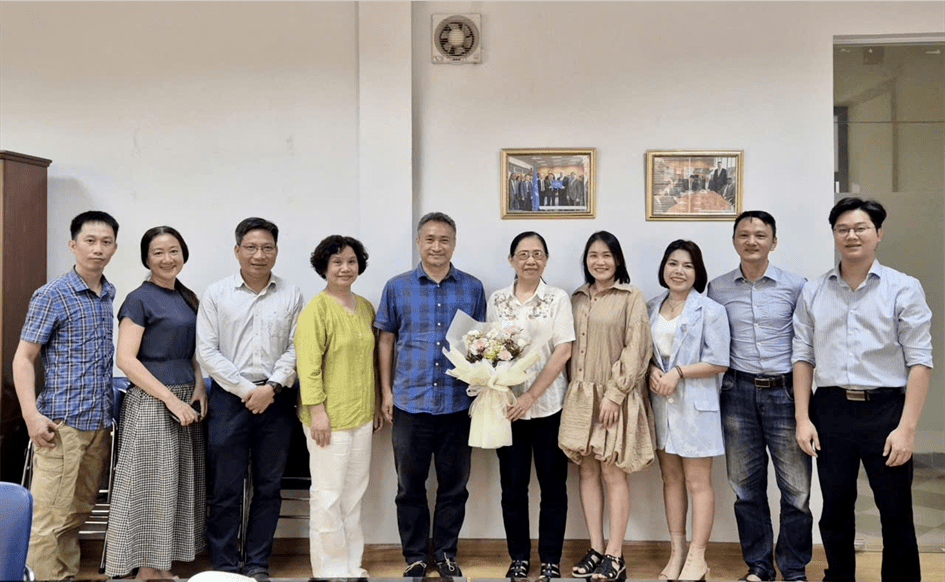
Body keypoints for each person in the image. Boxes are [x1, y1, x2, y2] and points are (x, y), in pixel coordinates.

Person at [793, 197, 932, 582]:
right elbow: (802, 357)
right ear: (834, 234)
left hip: (885, 411)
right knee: (835, 510)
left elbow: (920, 362)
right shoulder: (814, 291)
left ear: (878, 233)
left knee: (895, 510)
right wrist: (803, 418)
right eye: (843, 229)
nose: (851, 235)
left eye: (860, 228)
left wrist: (907, 428)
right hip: (830, 409)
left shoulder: (904, 288)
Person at [375, 211, 486, 578]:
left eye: (444, 240)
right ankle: (416, 557)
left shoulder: (472, 288)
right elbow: (386, 339)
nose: (437, 246)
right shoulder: (397, 287)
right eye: (430, 239)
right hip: (410, 402)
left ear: (454, 244)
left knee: (455, 487)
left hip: (457, 403)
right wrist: (386, 391)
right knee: (409, 487)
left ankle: (447, 554)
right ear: (418, 242)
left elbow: (481, 344)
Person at [197, 217, 305, 581]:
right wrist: (247, 390)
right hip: (230, 400)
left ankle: (258, 563)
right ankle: (225, 566)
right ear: (237, 250)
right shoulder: (216, 294)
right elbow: (207, 351)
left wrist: (270, 388)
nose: (259, 255)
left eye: (267, 248)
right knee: (225, 487)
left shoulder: (292, 294)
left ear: (276, 251)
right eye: (251, 247)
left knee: (269, 487)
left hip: (276, 400)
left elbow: (296, 348)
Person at [14, 210, 119, 580]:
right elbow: (23, 358)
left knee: (78, 510)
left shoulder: (107, 293)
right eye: (90, 241)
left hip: (98, 423)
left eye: (106, 242)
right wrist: (31, 415)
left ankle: (64, 574)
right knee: (47, 516)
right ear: (73, 245)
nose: (98, 249)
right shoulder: (52, 295)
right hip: (61, 424)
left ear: (115, 247)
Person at [707, 211, 811, 582]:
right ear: (735, 240)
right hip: (737, 393)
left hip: (786, 393)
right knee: (745, 489)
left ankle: (794, 568)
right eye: (744, 234)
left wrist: (804, 410)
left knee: (796, 491)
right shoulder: (717, 288)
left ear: (773, 242)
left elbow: (806, 345)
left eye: (760, 235)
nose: (752, 241)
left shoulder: (797, 286)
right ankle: (760, 565)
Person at [104, 226, 207, 579]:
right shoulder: (139, 299)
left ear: (183, 254)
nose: (167, 258)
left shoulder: (186, 297)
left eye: (173, 250)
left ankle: (160, 568)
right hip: (152, 403)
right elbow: (126, 360)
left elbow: (192, 353)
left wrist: (199, 387)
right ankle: (145, 572)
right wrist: (171, 401)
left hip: (185, 400)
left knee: (175, 486)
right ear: (146, 259)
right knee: (151, 486)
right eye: (158, 252)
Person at [559, 231, 656, 582]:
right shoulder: (576, 298)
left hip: (615, 395)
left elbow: (638, 348)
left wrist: (615, 394)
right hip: (580, 396)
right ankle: (596, 548)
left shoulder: (631, 296)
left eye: (606, 255)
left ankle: (616, 554)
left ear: (617, 260)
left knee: (613, 473)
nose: (599, 262)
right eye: (593, 255)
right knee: (586, 472)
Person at [294, 235, 384, 578]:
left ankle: (351, 565)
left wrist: (376, 404)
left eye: (351, 261)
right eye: (337, 262)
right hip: (327, 419)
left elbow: (372, 361)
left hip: (361, 415)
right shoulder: (316, 310)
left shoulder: (365, 307)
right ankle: (328, 570)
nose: (345, 268)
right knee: (328, 496)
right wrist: (317, 412)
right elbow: (308, 367)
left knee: (353, 495)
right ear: (324, 268)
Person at [487, 231, 574, 581]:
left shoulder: (557, 298)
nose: (530, 260)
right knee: (512, 486)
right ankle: (519, 557)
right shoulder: (497, 300)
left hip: (549, 407)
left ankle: (551, 559)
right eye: (523, 254)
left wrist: (531, 396)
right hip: (508, 408)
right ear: (511, 260)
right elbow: (488, 349)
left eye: (538, 254)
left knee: (553, 486)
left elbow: (563, 351)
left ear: (546, 260)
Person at [647, 239, 730, 581]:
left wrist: (678, 373)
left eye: (687, 265)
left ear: (697, 272)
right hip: (661, 405)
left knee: (698, 482)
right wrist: (652, 371)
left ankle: (698, 556)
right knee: (670, 480)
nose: (678, 271)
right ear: (663, 267)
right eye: (673, 263)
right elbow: (646, 354)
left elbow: (719, 361)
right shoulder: (651, 306)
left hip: (696, 406)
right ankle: (677, 551)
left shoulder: (710, 310)